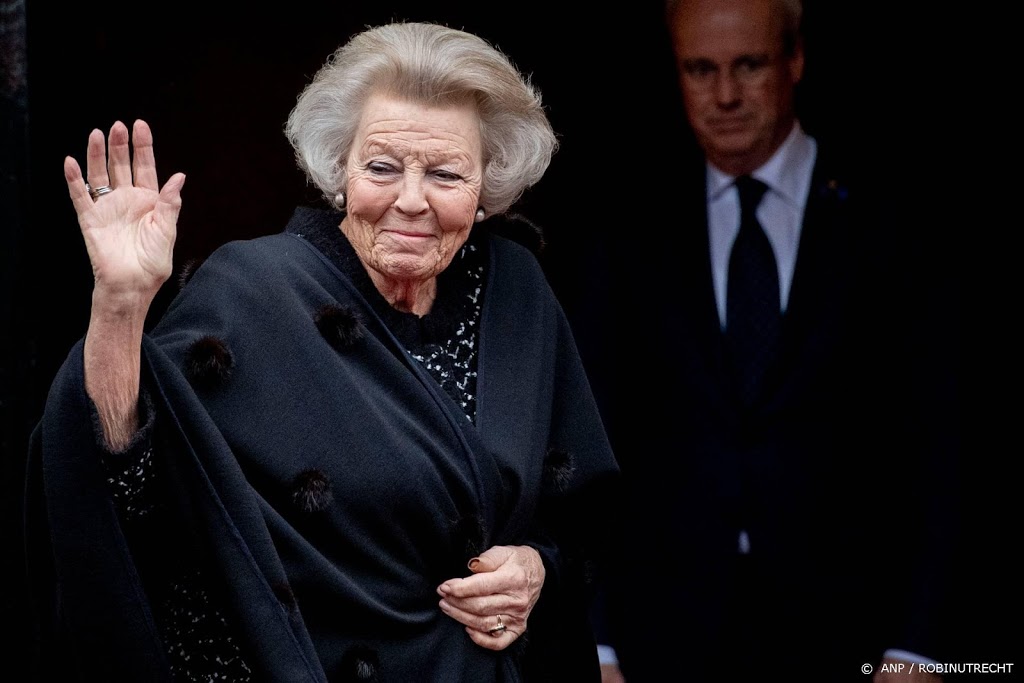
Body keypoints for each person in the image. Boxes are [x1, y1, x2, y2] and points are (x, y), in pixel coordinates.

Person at [22, 21, 619, 682]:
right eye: (382, 167)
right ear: (339, 170)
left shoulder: (516, 295)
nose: (410, 200)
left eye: (446, 174)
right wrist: (120, 304)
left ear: (487, 189)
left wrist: (536, 568)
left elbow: (579, 517)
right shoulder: (250, 293)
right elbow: (126, 488)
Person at [594, 0, 957, 681]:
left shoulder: (891, 218)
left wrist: (918, 645)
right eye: (700, 69)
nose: (725, 94)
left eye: (749, 65)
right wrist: (599, 645)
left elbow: (945, 441)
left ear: (795, 59)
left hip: (855, 631)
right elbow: (593, 436)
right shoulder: (632, 225)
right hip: (664, 636)